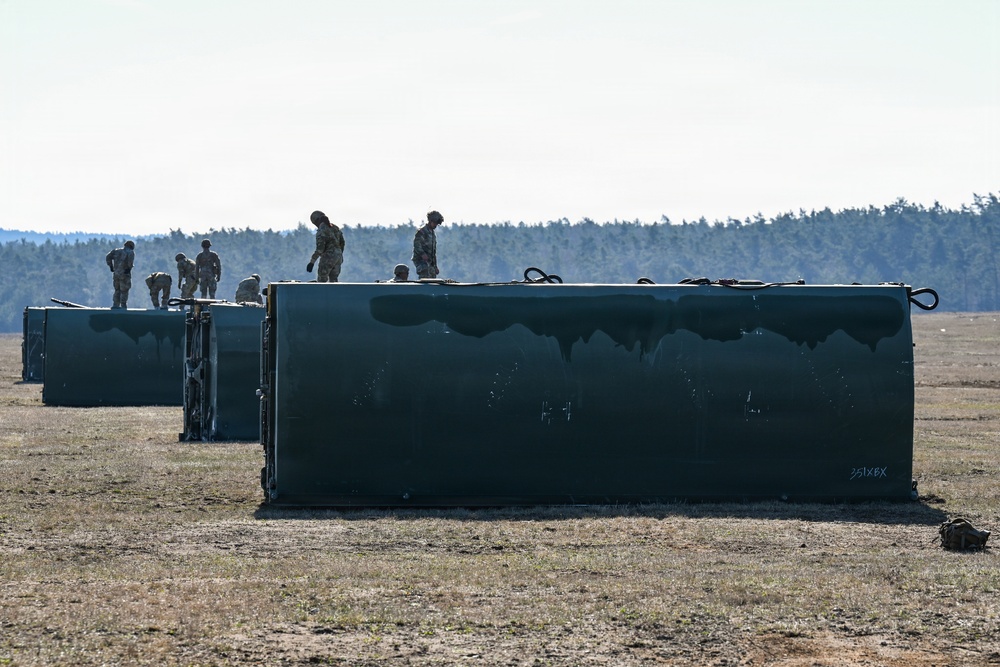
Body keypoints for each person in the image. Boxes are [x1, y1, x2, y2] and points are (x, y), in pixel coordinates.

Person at [306, 210, 346, 283]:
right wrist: (338, 254)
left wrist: (312, 262)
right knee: (334, 281)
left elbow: (320, 249)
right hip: (338, 258)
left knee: (322, 282)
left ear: (316, 221)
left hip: (327, 258)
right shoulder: (335, 228)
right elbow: (342, 243)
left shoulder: (322, 230)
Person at [412, 210, 443, 278]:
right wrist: (422, 254)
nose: (435, 225)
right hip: (421, 262)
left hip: (430, 263)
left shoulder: (432, 234)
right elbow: (417, 245)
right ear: (430, 221)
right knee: (425, 278)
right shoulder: (422, 232)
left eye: (437, 224)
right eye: (435, 223)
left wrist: (435, 266)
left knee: (433, 279)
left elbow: (433, 252)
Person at [105, 240, 135, 309]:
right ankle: (123, 306)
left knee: (117, 290)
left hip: (116, 274)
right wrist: (128, 269)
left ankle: (115, 305)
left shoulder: (116, 251)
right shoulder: (130, 252)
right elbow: (130, 262)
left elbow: (108, 257)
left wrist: (111, 266)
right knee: (124, 290)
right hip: (125, 274)